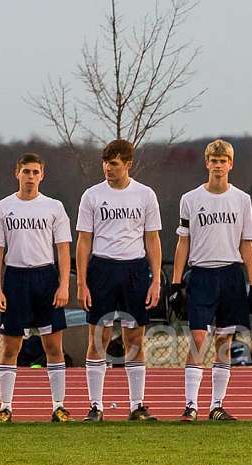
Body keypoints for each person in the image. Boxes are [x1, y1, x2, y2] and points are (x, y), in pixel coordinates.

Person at [168, 139, 252, 421]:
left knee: (224, 342)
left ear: (231, 164)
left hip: (231, 274)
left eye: (223, 161)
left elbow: (247, 243)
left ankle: (216, 405)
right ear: (206, 163)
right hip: (202, 274)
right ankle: (190, 405)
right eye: (214, 161)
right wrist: (175, 283)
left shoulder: (242, 199)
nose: (218, 165)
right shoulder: (190, 199)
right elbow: (183, 242)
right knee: (197, 340)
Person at [76, 139, 163, 422]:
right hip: (102, 268)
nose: (107, 168)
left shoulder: (146, 194)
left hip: (135, 269)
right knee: (98, 337)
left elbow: (152, 238)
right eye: (105, 162)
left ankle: (137, 405)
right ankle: (95, 406)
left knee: (134, 338)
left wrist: (155, 280)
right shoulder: (91, 195)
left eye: (113, 163)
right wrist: (82, 282)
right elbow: (84, 240)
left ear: (128, 164)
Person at [0, 153, 73, 423]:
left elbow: (63, 249)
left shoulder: (54, 207)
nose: (31, 177)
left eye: (36, 172)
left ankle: (58, 406)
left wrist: (63, 285)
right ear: (17, 173)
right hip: (15, 279)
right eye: (26, 172)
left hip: (45, 278)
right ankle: (5, 407)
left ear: (42, 175)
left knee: (54, 347)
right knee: (11, 347)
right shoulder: (3, 207)